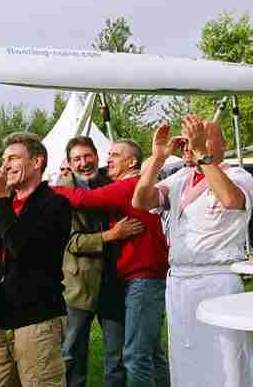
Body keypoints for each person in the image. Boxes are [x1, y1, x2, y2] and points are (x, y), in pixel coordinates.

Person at [131, 115, 253, 386]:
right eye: (189, 139)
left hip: (218, 279)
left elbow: (230, 199)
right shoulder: (179, 178)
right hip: (180, 282)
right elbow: (140, 201)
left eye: (201, 137)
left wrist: (202, 154)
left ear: (223, 145)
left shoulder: (238, 176)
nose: (190, 144)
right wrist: (157, 159)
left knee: (227, 361)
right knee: (187, 359)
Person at [53, 139, 170, 387]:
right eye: (76, 159)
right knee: (75, 351)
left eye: (90, 156)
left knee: (131, 355)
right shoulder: (72, 187)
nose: (85, 163)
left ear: (131, 161)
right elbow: (68, 241)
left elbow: (84, 200)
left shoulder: (125, 185)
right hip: (82, 285)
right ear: (69, 164)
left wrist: (44, 189)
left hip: (129, 280)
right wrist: (110, 235)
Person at [0, 132, 71, 387]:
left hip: (38, 318)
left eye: (13, 158)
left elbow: (21, 248)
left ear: (37, 162)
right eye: (4, 159)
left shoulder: (54, 204)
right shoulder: (5, 204)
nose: (5, 165)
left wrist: (2, 200)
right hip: (2, 317)